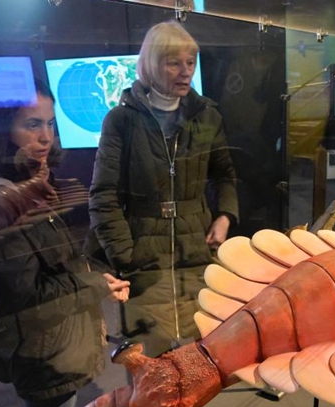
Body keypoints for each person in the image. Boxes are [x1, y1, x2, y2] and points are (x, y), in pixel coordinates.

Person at [0, 77, 130, 407]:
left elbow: (43, 263)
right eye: (32, 124)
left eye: (50, 123)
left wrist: (91, 277)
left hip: (54, 339)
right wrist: (94, 287)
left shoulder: (23, 180)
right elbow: (25, 297)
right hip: (43, 346)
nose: (46, 137)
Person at [88, 21, 239, 358]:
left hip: (194, 249)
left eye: (190, 62)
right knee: (148, 358)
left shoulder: (207, 117)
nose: (185, 72)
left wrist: (225, 216)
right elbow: (103, 196)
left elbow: (224, 174)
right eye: (174, 63)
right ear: (151, 65)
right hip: (144, 253)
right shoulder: (122, 120)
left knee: (200, 352)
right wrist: (125, 254)